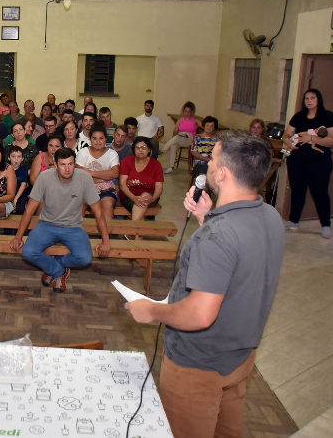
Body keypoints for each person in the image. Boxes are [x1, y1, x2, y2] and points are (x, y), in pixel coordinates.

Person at [125, 131, 283, 438]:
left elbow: (200, 314)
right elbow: (238, 262)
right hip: (240, 356)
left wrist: (153, 310)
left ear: (222, 173)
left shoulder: (217, 236)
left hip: (198, 366)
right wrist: (207, 217)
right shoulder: (270, 216)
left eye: (212, 159)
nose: (207, 165)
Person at [10, 148, 110, 293]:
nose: (67, 169)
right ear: (55, 165)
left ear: (75, 164)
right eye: (63, 164)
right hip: (47, 224)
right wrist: (18, 237)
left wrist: (106, 241)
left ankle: (55, 265)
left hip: (73, 227)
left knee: (85, 258)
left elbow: (99, 213)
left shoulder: (85, 178)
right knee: (29, 252)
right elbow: (30, 210)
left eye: (70, 164)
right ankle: (59, 272)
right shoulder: (44, 177)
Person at [283, 89, 333, 238]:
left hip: (319, 162)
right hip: (297, 161)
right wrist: (288, 142)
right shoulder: (299, 117)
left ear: (318, 99)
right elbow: (286, 135)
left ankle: (325, 225)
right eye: (307, 98)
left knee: (319, 193)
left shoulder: (327, 117)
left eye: (312, 98)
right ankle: (293, 221)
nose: (309, 100)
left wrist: (312, 139)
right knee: (297, 191)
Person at [76, 126, 120, 221]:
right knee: (78, 204)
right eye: (94, 138)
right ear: (90, 139)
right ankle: (78, 234)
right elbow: (79, 175)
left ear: (105, 139)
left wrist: (90, 172)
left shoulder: (112, 154)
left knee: (107, 204)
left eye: (101, 138)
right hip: (85, 188)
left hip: (106, 190)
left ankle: (106, 235)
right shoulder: (83, 152)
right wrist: (104, 177)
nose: (98, 141)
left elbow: (115, 173)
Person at [119, 137, 164, 220]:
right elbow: (122, 184)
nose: (140, 150)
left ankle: (131, 231)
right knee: (140, 211)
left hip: (150, 197)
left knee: (145, 196)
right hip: (128, 196)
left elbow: (159, 187)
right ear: (134, 149)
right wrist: (134, 198)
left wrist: (152, 199)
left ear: (149, 150)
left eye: (144, 147)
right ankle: (132, 232)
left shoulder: (156, 164)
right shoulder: (126, 161)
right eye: (137, 147)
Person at [162, 101, 202, 174]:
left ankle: (162, 150)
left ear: (192, 112)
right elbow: (175, 131)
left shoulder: (195, 120)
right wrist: (174, 137)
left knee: (176, 138)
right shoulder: (180, 120)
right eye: (185, 111)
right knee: (173, 144)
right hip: (181, 137)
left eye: (189, 112)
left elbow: (204, 126)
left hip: (190, 139)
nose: (187, 113)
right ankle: (171, 167)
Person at [6, 145, 30, 216]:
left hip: (20, 195)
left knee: (19, 209)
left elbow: (23, 185)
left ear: (22, 158)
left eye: (19, 157)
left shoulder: (24, 170)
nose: (16, 159)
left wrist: (15, 199)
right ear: (9, 158)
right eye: (13, 156)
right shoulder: (5, 169)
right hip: (7, 195)